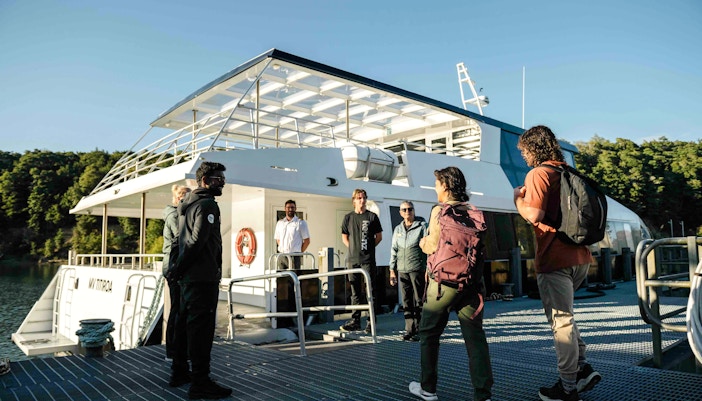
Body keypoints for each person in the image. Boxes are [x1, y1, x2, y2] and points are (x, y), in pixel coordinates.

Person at [514, 125, 602, 401]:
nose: (523, 157)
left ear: (533, 148)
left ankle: (567, 387)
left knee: (560, 322)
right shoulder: (567, 172)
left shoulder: (539, 173)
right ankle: (582, 368)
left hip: (555, 259)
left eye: (524, 151)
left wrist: (517, 200)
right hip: (580, 257)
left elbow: (535, 214)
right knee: (566, 315)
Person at [409, 166, 494, 401]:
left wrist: (423, 241)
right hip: (471, 283)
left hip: (443, 285)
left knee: (428, 334)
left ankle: (428, 389)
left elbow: (433, 245)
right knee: (475, 338)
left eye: (437, 184)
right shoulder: (474, 211)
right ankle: (483, 394)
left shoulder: (440, 211)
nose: (435, 188)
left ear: (446, 186)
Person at [168, 161, 232, 400]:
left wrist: (177, 269)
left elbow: (180, 240)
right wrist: (180, 267)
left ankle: (179, 372)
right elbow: (197, 241)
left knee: (184, 326)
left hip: (188, 278)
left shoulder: (185, 204)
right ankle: (201, 381)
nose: (223, 182)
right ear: (205, 181)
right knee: (201, 331)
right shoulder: (207, 206)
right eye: (219, 178)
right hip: (202, 278)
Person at [340, 188, 383, 334]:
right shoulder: (348, 217)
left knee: (371, 291)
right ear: (354, 200)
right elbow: (344, 237)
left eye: (364, 197)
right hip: (352, 260)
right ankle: (355, 321)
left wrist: (368, 249)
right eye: (359, 198)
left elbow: (379, 236)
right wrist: (354, 249)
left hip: (368, 260)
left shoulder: (372, 217)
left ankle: (371, 321)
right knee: (355, 292)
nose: (362, 200)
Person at [389, 201, 427, 341]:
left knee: (419, 300)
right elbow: (394, 250)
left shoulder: (422, 226)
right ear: (400, 212)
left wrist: (428, 269)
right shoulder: (398, 229)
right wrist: (392, 270)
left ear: (414, 211)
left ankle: (420, 329)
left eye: (410, 209)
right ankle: (409, 329)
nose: (407, 212)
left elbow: (427, 249)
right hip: (402, 269)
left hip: (417, 268)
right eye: (404, 210)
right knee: (406, 300)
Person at [163, 184, 191, 361]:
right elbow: (181, 239)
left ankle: (178, 349)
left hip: (175, 265)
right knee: (176, 309)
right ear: (181, 198)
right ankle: (172, 352)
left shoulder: (177, 214)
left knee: (180, 308)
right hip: (173, 266)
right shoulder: (174, 216)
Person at [274, 199, 311, 270]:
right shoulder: (280, 223)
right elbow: (278, 239)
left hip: (294, 255)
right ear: (285, 209)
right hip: (282, 255)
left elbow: (307, 241)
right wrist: (283, 248)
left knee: (294, 278)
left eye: (292, 207)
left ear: (295, 209)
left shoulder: (300, 223)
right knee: (281, 278)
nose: (290, 209)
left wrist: (298, 252)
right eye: (288, 207)